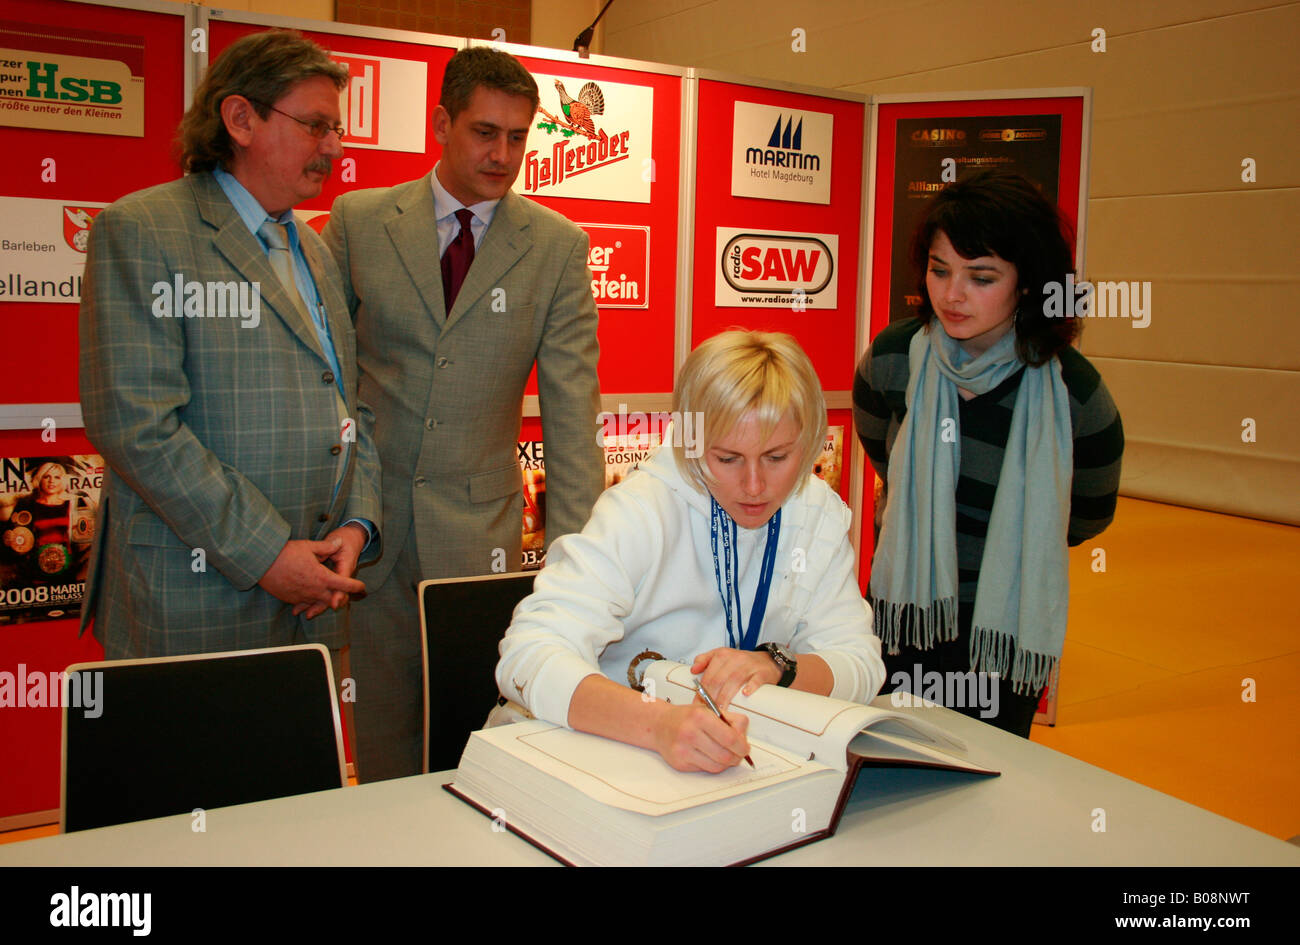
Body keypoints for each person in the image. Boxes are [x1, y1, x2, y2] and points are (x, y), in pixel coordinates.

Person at [323, 47, 603, 782]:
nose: (503, 154)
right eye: (485, 132)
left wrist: (578, 571)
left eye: (518, 136)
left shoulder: (555, 248)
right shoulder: (356, 222)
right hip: (367, 535)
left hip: (480, 547)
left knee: (473, 751)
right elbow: (324, 383)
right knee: (382, 746)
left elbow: (573, 416)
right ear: (441, 122)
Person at [78, 30, 382, 661]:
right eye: (314, 125)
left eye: (336, 130)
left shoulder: (317, 251)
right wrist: (267, 553)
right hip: (193, 601)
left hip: (316, 596)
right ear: (240, 119)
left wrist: (356, 525)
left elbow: (348, 408)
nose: (332, 148)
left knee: (302, 763)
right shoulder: (142, 230)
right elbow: (136, 424)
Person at [498, 331, 885, 773]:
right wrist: (657, 725)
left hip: (733, 765)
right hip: (607, 756)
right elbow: (526, 655)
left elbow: (861, 664)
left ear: (810, 440)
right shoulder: (643, 509)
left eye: (777, 457)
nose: (755, 486)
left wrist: (781, 666)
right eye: (728, 459)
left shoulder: (816, 512)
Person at [853, 169, 1124, 738]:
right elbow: (881, 448)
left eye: (981, 277)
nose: (952, 295)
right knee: (890, 763)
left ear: (1028, 282)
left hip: (1005, 630)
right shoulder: (894, 356)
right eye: (939, 269)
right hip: (905, 617)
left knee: (995, 782)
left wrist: (1016, 535)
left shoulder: (1075, 394)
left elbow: (1087, 514)